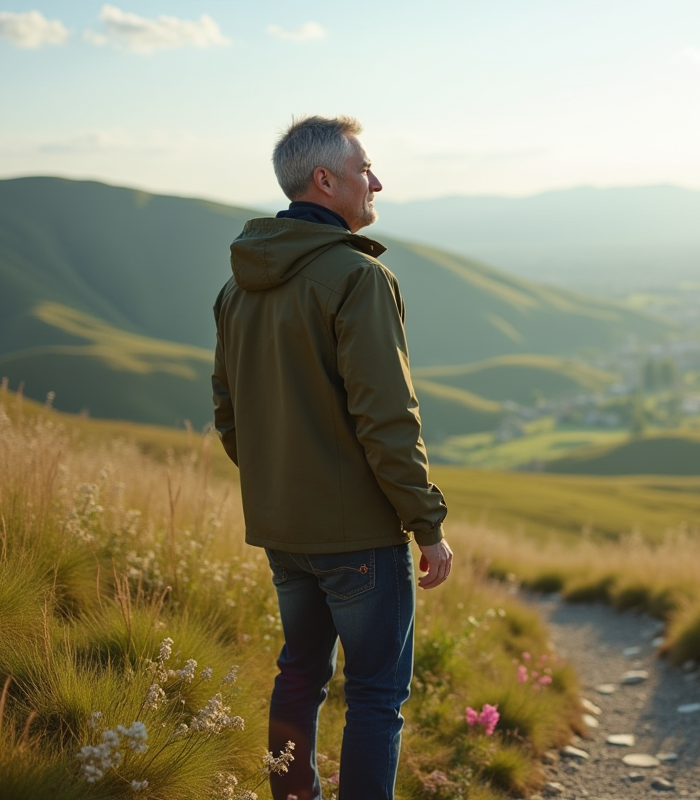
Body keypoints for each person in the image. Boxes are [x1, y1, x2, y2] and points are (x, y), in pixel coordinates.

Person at [212, 114, 453, 800]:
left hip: (282, 530)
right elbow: (388, 420)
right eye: (364, 169)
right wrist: (427, 523)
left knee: (300, 674)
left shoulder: (237, 289)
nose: (375, 181)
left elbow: (229, 414)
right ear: (326, 180)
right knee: (376, 696)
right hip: (360, 538)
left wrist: (283, 486)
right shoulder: (358, 278)